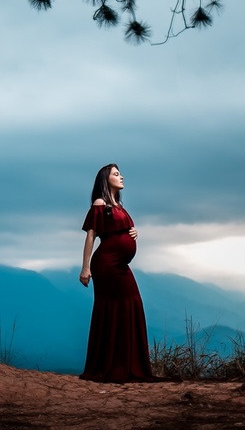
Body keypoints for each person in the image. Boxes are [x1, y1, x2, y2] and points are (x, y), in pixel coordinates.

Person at [78, 163, 154, 382]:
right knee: (116, 307)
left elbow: (122, 230)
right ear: (105, 179)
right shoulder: (100, 203)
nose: (121, 177)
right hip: (107, 265)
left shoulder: (118, 205)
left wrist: (133, 232)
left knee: (130, 304)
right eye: (116, 174)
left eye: (120, 174)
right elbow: (91, 236)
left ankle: (128, 364)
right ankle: (111, 365)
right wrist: (85, 268)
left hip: (119, 265)